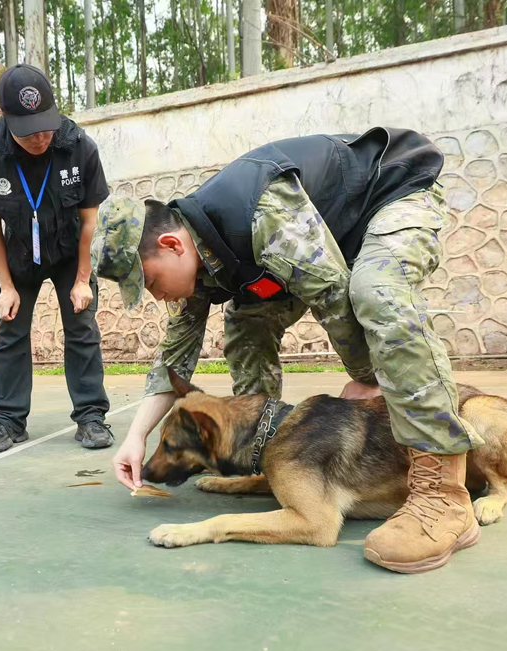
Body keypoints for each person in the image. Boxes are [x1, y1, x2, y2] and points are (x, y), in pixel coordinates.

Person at [90, 128, 485, 573]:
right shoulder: (198, 257)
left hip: (392, 194)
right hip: (326, 242)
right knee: (244, 322)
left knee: (375, 289)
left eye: (151, 282)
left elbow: (335, 294)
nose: (157, 296)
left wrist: (367, 379)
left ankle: (442, 493)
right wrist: (136, 436)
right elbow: (174, 357)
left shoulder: (262, 216)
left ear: (171, 245)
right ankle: (269, 455)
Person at [0, 64, 115, 453]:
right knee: (11, 328)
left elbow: (88, 223)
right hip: (18, 253)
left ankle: (91, 417)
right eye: (30, 131)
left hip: (69, 251)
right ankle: (8, 420)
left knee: (82, 326)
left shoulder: (79, 146)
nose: (41, 137)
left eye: (46, 126)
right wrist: (7, 287)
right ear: (5, 117)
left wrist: (83, 279)